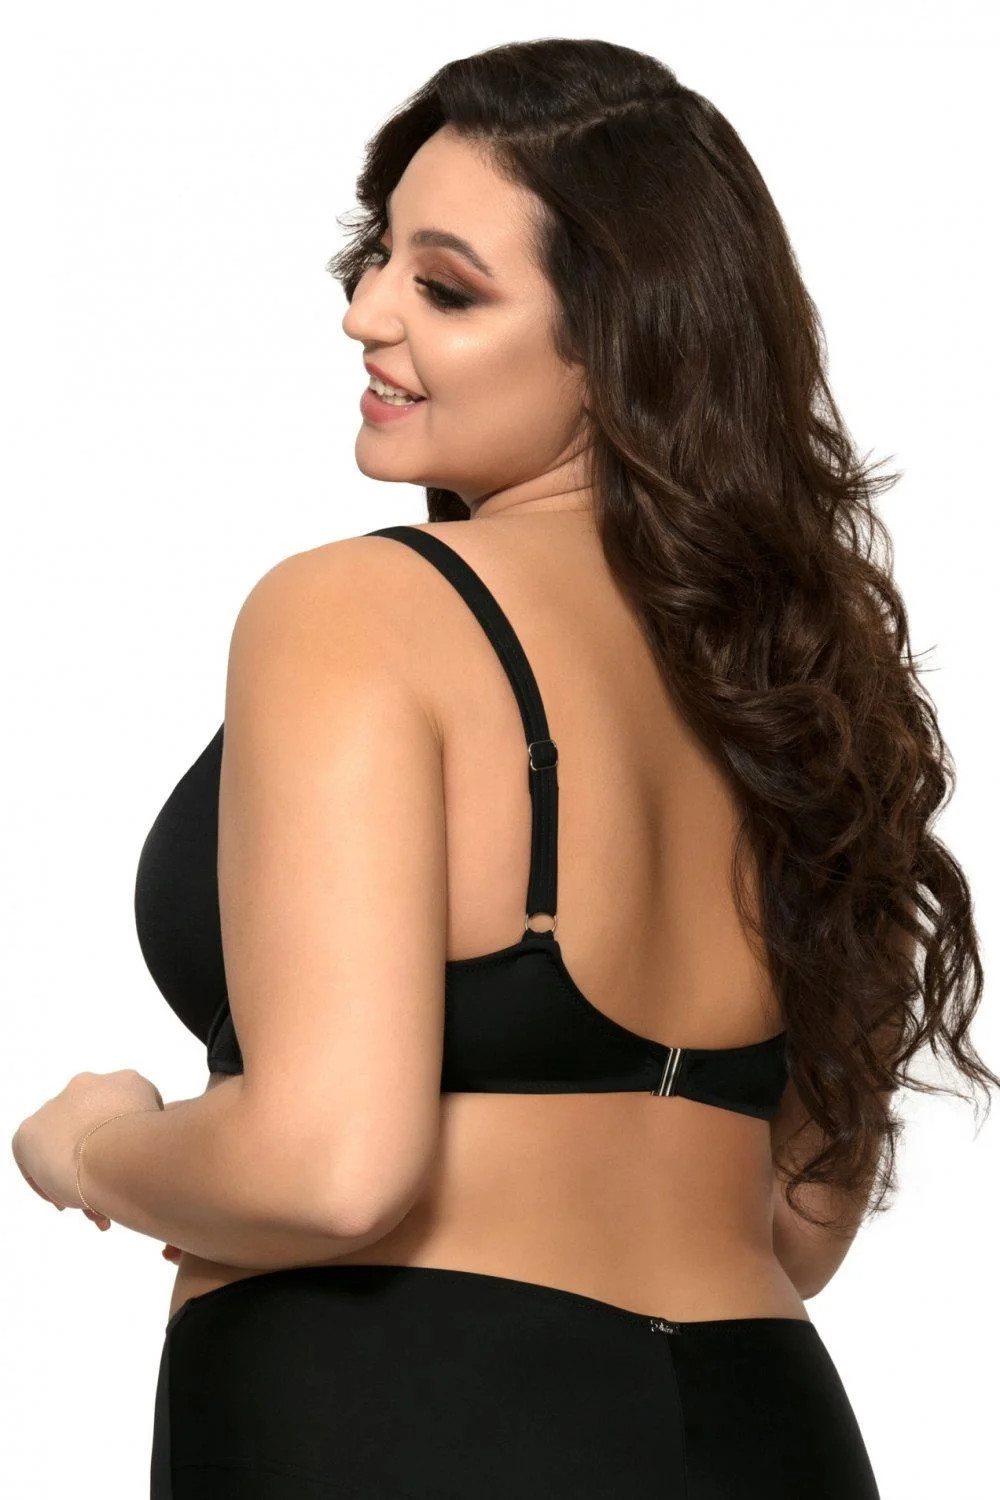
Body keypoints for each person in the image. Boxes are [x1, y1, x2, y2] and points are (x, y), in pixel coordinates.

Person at [111, 38, 996, 1498]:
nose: (364, 313)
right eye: (378, 257)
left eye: (447, 288)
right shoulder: (804, 684)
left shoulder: (360, 610)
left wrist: (99, 1149)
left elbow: (329, 1173)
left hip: (408, 1415)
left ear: (621, 341)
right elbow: (801, 1229)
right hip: (764, 1420)